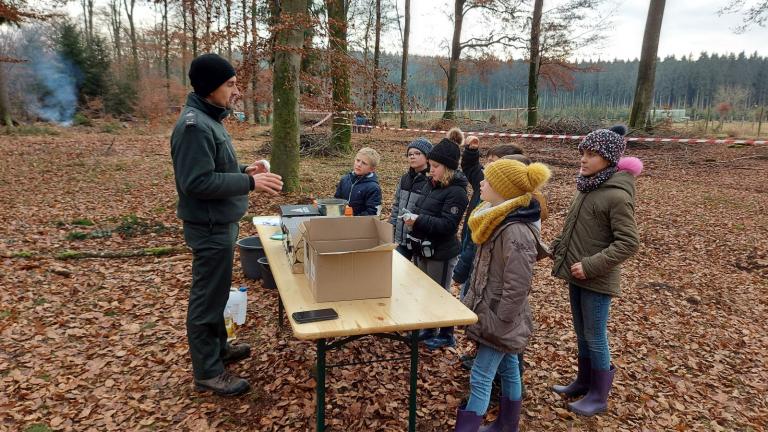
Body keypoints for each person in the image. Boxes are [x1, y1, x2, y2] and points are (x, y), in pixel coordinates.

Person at [171, 53, 283, 396]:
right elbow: (197, 182)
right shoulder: (194, 126)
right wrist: (250, 184)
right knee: (206, 298)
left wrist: (243, 171)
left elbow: (215, 169)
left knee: (218, 293)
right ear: (209, 88)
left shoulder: (210, 120)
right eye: (230, 84)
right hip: (208, 227)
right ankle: (208, 370)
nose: (236, 91)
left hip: (220, 223)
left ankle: (219, 350)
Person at [454, 159, 551, 432]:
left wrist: (502, 320)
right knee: (508, 367)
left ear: (503, 189)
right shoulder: (494, 217)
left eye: (487, 180)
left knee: (481, 375)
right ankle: (508, 425)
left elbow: (518, 283)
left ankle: (468, 427)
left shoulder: (515, 229)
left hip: (500, 316)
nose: (481, 183)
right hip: (491, 310)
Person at [550, 125, 640, 416]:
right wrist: (557, 247)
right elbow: (577, 229)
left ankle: (599, 395)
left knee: (595, 335)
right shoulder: (586, 186)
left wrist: (590, 266)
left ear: (609, 158)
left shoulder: (616, 195)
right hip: (576, 274)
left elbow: (628, 243)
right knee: (581, 332)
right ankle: (584, 381)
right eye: (582, 153)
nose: (583, 160)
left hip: (596, 280)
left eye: (592, 155)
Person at [404, 138, 469, 350]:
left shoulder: (457, 192)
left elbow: (448, 225)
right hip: (423, 248)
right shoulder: (431, 185)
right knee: (425, 290)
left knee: (440, 292)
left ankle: (447, 333)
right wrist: (413, 220)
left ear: (448, 168)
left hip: (441, 252)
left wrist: (419, 220)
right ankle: (430, 328)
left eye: (435, 167)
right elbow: (424, 211)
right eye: (430, 166)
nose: (431, 170)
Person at [390, 138, 433, 260]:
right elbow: (397, 205)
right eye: (410, 154)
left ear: (427, 157)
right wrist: (391, 228)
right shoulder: (404, 179)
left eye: (417, 153)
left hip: (418, 239)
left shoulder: (430, 181)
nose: (412, 157)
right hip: (400, 238)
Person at [334, 147, 382, 216]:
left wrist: (354, 218)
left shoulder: (373, 188)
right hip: (340, 221)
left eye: (364, 163)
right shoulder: (345, 180)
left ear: (372, 169)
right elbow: (337, 200)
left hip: (360, 224)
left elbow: (373, 212)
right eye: (358, 160)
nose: (359, 165)